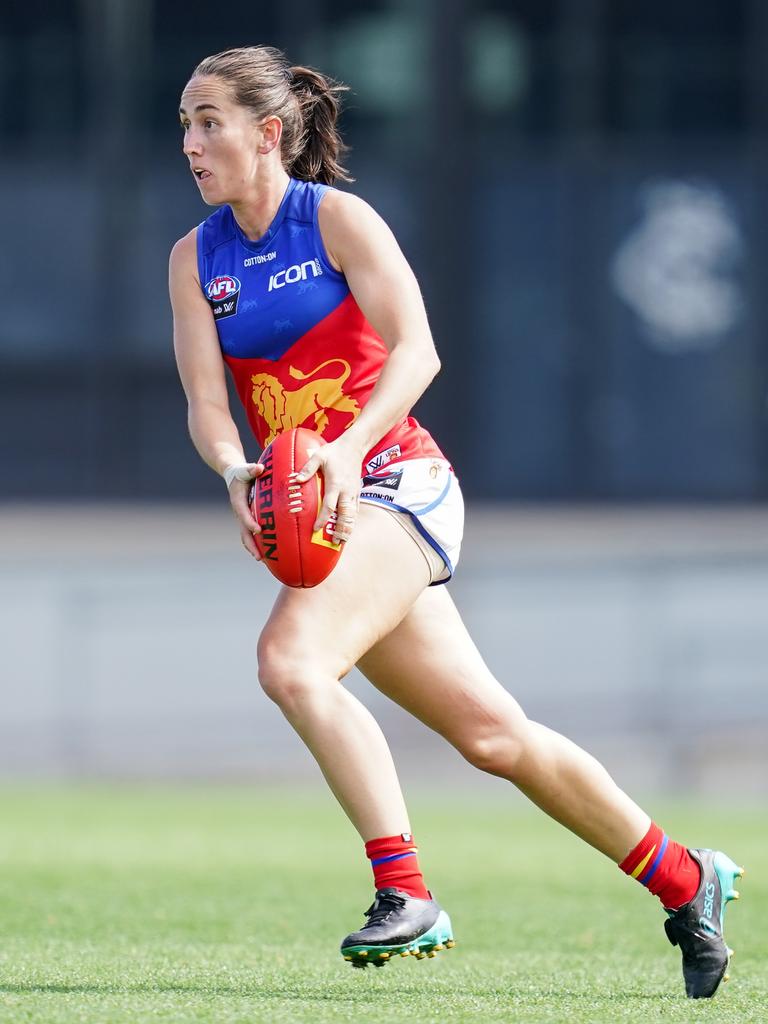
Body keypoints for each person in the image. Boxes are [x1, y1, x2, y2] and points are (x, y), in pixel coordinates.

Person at [169, 44, 743, 998]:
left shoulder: (339, 221)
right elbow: (206, 405)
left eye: (208, 120)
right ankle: (689, 879)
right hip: (326, 511)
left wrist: (344, 452)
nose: (190, 142)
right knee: (493, 738)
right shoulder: (197, 258)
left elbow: (419, 353)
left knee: (291, 663)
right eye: (185, 124)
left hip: (399, 484)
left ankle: (406, 893)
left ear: (268, 133)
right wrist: (236, 472)